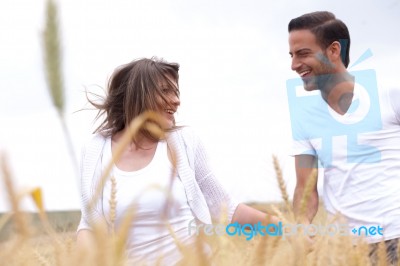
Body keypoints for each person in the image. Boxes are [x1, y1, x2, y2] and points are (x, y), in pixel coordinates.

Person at [76, 57, 279, 265]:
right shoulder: (95, 151)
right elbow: (89, 225)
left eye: (176, 92)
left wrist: (283, 229)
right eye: (165, 91)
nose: (176, 100)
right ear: (138, 94)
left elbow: (222, 206)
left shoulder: (183, 142)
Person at [287, 11, 400, 264]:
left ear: (333, 50)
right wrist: (302, 223)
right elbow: (305, 188)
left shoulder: (390, 93)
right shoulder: (304, 116)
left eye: (303, 53)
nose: (294, 65)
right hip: (344, 249)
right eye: (292, 56)